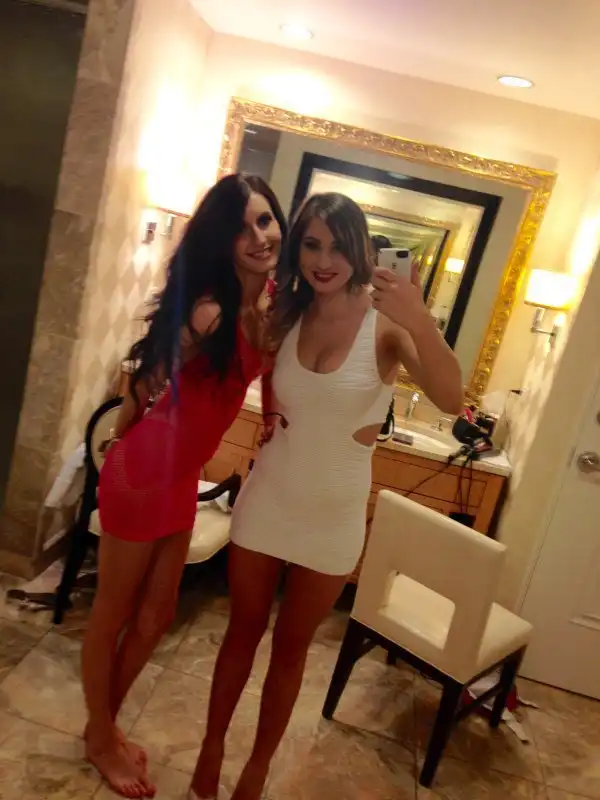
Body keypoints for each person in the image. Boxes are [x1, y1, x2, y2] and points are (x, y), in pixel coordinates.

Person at [189, 192, 463, 800]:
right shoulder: (286, 314)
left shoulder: (386, 325)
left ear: (361, 249)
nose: (323, 260)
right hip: (269, 499)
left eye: (338, 246)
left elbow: (451, 398)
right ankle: (211, 748)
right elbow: (251, 364)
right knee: (241, 634)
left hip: (333, 519)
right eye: (311, 244)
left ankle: (257, 768)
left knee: (290, 651)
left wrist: (420, 318)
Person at [81, 174, 287, 799]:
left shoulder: (265, 305)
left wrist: (272, 415)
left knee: (156, 617)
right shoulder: (211, 310)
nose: (259, 236)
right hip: (146, 473)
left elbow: (269, 370)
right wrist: (120, 446)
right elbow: (148, 378)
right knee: (113, 613)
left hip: (178, 479)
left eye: (266, 220)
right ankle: (100, 739)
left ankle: (104, 725)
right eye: (243, 227)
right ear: (222, 240)